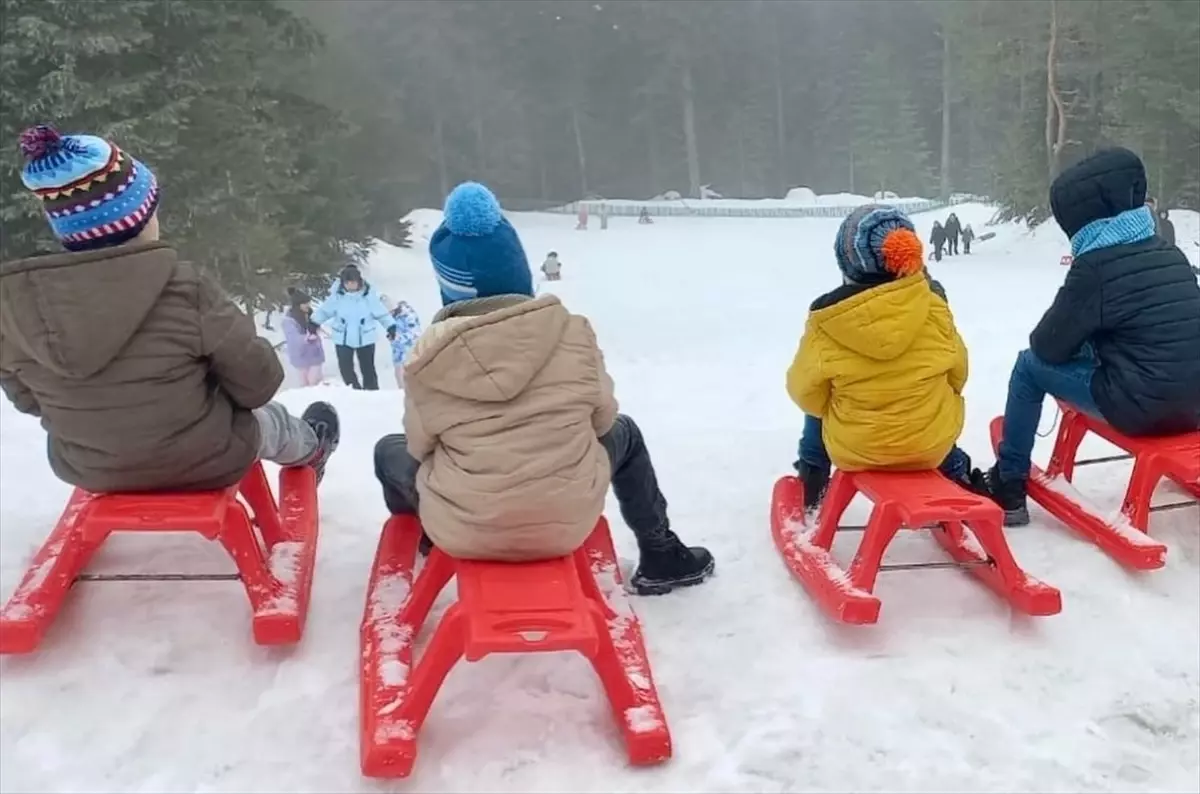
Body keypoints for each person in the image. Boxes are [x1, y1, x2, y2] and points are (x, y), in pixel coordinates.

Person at [373, 182, 714, 595]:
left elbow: (418, 445)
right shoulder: (572, 332)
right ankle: (660, 554)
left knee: (387, 450)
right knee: (626, 432)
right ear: (518, 270)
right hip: (568, 520)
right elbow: (602, 419)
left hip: (466, 528)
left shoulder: (426, 358)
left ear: (450, 286)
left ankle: (429, 536)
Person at [0, 124, 340, 492]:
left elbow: (29, 401)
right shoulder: (184, 289)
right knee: (271, 421)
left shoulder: (15, 307)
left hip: (89, 466)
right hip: (205, 457)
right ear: (140, 219)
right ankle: (313, 450)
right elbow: (258, 384)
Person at [984, 148, 1200, 526]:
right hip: (1194, 406)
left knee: (1027, 366)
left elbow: (1047, 345)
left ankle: (1009, 483)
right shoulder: (1170, 254)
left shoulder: (1096, 267)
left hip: (1141, 409)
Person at [787, 205, 983, 512]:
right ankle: (956, 472)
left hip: (857, 447)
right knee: (931, 397)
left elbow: (804, 392)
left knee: (821, 398)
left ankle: (813, 474)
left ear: (847, 263)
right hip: (929, 445)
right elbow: (959, 374)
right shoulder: (934, 307)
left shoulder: (829, 319)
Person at [312, 264, 395, 391]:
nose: (350, 285)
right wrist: (314, 322)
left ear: (359, 282)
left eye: (353, 282)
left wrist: (390, 326)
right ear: (343, 283)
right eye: (347, 283)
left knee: (367, 367)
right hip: (343, 338)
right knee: (345, 368)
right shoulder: (337, 297)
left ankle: (371, 390)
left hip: (365, 337)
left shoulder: (368, 296)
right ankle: (353, 390)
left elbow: (381, 313)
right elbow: (324, 311)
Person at [282, 287, 326, 387]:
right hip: (300, 355)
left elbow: (318, 328)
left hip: (315, 354)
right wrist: (306, 338)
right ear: (297, 305)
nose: (308, 305)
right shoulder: (289, 320)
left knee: (314, 382)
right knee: (304, 384)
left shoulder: (311, 315)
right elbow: (292, 338)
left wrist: (316, 329)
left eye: (308, 303)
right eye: (305, 303)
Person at [387, 298, 422, 389]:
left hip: (410, 350)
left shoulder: (408, 315)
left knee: (409, 376)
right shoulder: (391, 317)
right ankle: (401, 394)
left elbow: (415, 332)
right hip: (397, 351)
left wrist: (399, 338)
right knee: (399, 375)